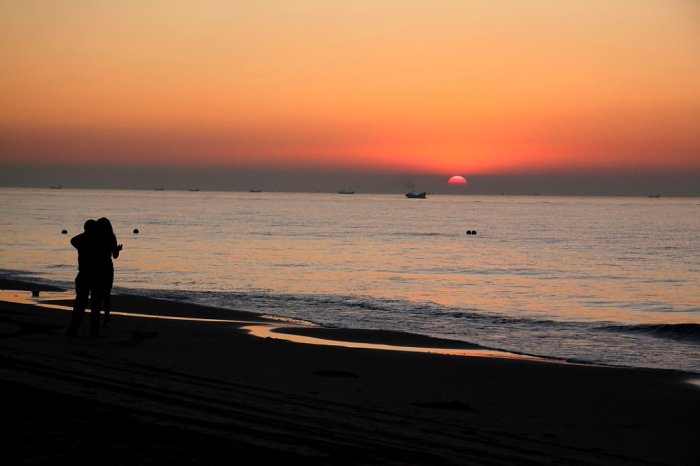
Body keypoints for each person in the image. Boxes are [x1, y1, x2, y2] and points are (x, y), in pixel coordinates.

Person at [66, 219, 103, 337]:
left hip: (86, 275)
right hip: (94, 275)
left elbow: (73, 240)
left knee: (81, 304)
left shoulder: (83, 240)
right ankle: (92, 332)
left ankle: (75, 329)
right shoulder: (97, 240)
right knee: (93, 305)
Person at [95, 217, 122, 327]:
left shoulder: (95, 237)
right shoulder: (111, 237)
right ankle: (105, 320)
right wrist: (116, 250)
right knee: (106, 295)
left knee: (97, 294)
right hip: (107, 267)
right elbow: (115, 256)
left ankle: (96, 318)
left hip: (96, 267)